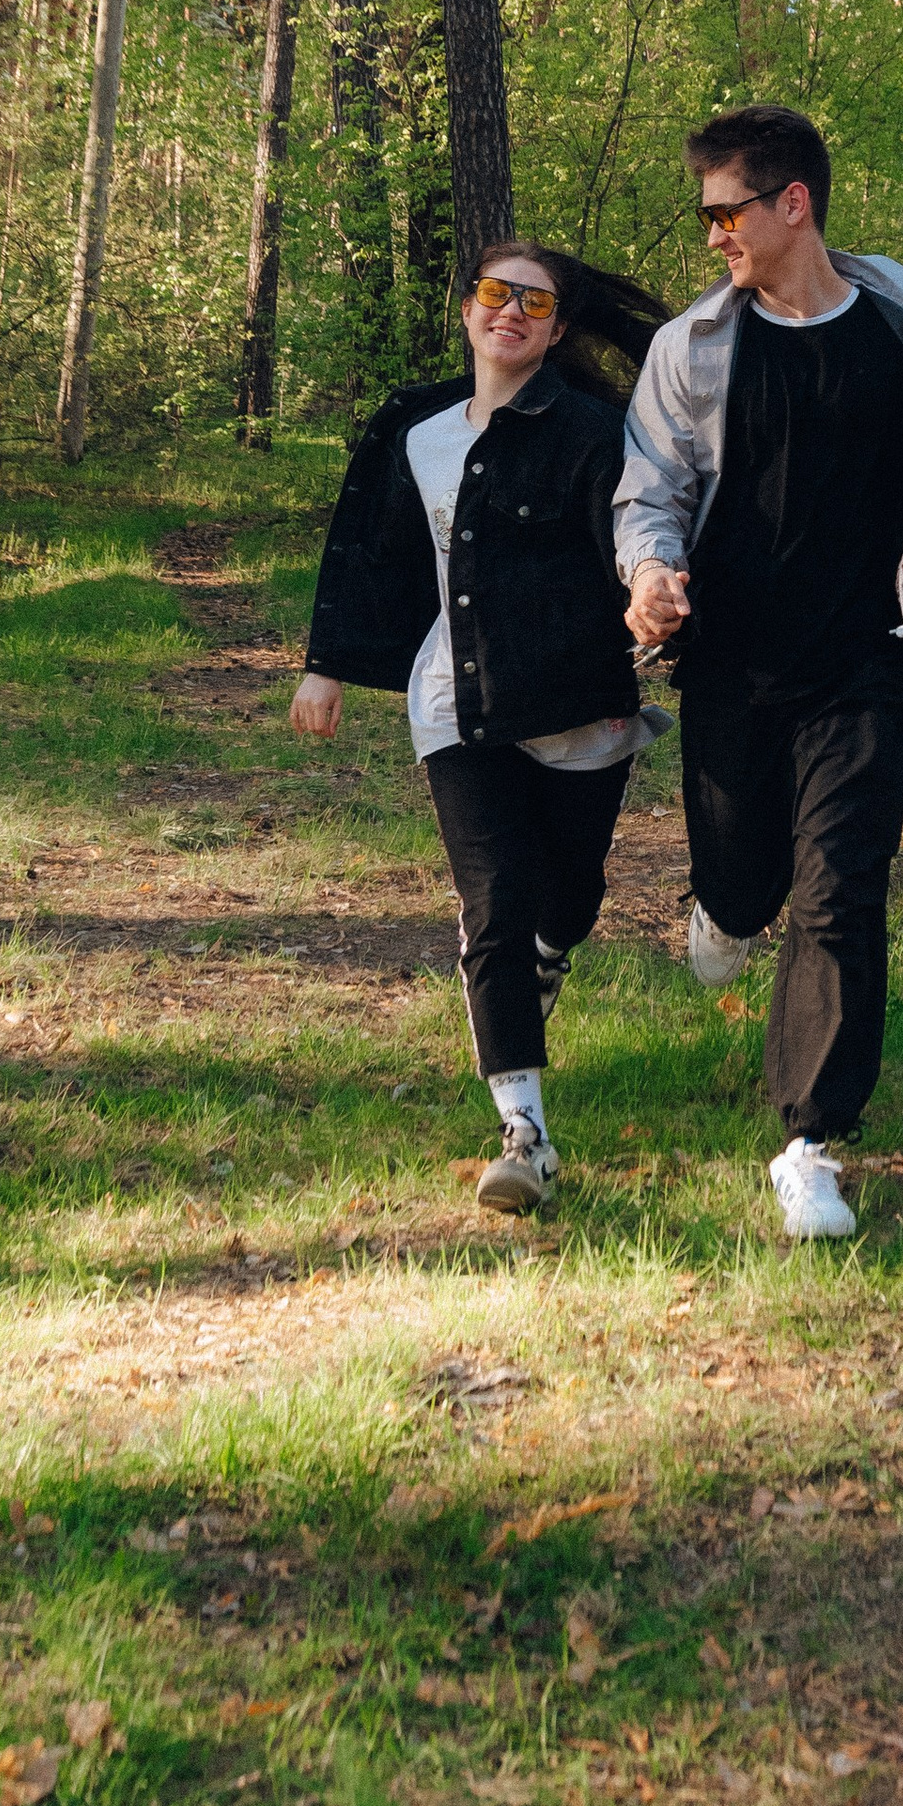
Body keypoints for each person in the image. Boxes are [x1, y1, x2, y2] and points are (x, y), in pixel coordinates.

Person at [615, 103, 903, 1244]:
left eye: (726, 212)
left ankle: (812, 1142)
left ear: (793, 204)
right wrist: (649, 573)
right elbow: (651, 488)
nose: (712, 235)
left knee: (840, 892)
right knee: (744, 883)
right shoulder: (691, 347)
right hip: (730, 667)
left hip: (861, 667)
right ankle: (727, 908)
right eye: (707, 216)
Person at [290, 242, 667, 1219]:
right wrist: (327, 664)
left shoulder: (595, 432)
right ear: (467, 310)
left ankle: (549, 952)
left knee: (567, 898)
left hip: (576, 701)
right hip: (453, 700)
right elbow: (370, 549)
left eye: (535, 303)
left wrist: (648, 606)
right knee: (493, 900)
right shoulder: (416, 429)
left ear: (558, 327)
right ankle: (524, 1135)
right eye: (496, 294)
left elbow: (635, 537)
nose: (511, 313)